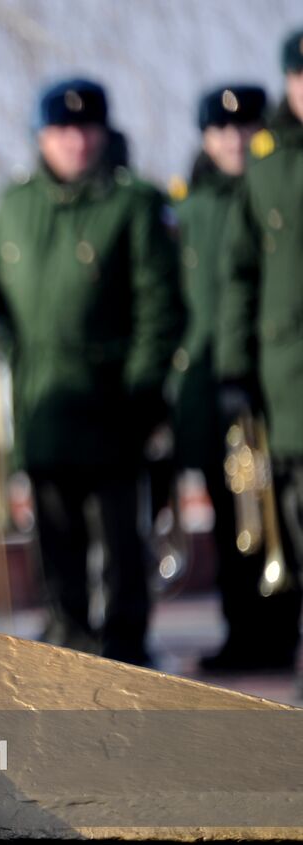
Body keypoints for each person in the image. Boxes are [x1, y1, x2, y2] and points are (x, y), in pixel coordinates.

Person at [0, 79, 182, 664]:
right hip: (43, 398)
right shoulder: (13, 208)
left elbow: (159, 305)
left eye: (85, 129)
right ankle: (66, 636)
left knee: (121, 537)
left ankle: (126, 643)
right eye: (60, 131)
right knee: (55, 532)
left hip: (114, 400)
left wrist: (144, 387)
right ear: (41, 137)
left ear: (103, 132)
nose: (74, 142)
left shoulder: (134, 202)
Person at [173, 84, 301, 671]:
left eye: (246, 128)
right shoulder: (188, 207)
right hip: (214, 390)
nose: (235, 140)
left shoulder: (275, 186)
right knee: (233, 521)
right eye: (221, 130)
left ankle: (282, 635)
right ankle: (243, 633)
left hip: (272, 381)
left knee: (279, 512)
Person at [217, 27, 303, 676]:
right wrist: (235, 365)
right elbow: (239, 273)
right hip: (285, 382)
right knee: (294, 528)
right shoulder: (266, 165)